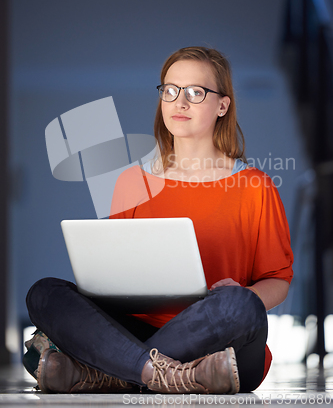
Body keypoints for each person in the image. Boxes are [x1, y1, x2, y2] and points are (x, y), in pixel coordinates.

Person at [24, 46, 293, 394]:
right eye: (171, 90)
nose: (180, 103)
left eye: (196, 93)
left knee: (242, 306)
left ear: (222, 106)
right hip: (136, 330)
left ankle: (111, 371)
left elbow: (278, 281)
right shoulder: (131, 183)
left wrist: (245, 294)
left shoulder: (255, 186)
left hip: (219, 340)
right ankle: (163, 374)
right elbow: (112, 278)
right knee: (44, 294)